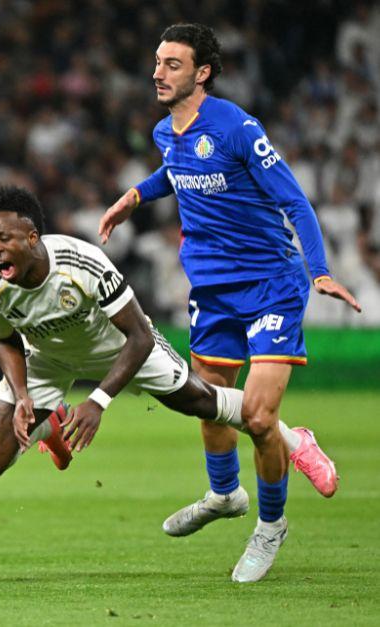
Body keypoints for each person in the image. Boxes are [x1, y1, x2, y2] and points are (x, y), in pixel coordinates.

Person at [99, 24, 361, 582]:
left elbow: (295, 200)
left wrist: (320, 272)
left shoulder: (239, 128)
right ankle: (224, 494)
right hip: (212, 290)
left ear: (202, 72)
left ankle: (270, 525)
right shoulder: (165, 131)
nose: (158, 72)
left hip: (271, 283)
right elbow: (177, 169)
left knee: (260, 418)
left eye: (172, 64)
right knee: (206, 399)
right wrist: (134, 197)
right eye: (156, 62)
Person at [0, 185, 337, 583]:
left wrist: (97, 401)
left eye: (3, 238)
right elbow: (5, 338)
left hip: (119, 345)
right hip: (45, 357)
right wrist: (22, 395)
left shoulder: (81, 261)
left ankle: (294, 438)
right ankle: (49, 419)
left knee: (199, 401)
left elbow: (140, 335)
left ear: (31, 237)